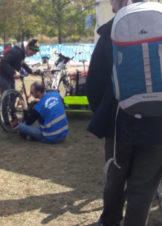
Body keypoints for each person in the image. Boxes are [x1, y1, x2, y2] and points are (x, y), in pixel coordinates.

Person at [86, 0, 162, 225]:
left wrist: (102, 112)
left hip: (119, 122)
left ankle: (109, 221)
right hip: (159, 124)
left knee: (116, 175)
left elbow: (93, 83)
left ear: (120, 2)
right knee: (143, 186)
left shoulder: (111, 30)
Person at [0, 39, 40, 126]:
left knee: (12, 99)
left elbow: (21, 62)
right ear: (28, 47)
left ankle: (14, 120)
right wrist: (13, 72)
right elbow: (3, 62)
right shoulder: (17, 51)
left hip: (9, 77)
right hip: (3, 76)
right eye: (32, 53)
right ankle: (6, 123)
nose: (31, 55)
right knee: (6, 100)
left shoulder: (22, 51)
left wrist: (30, 70)